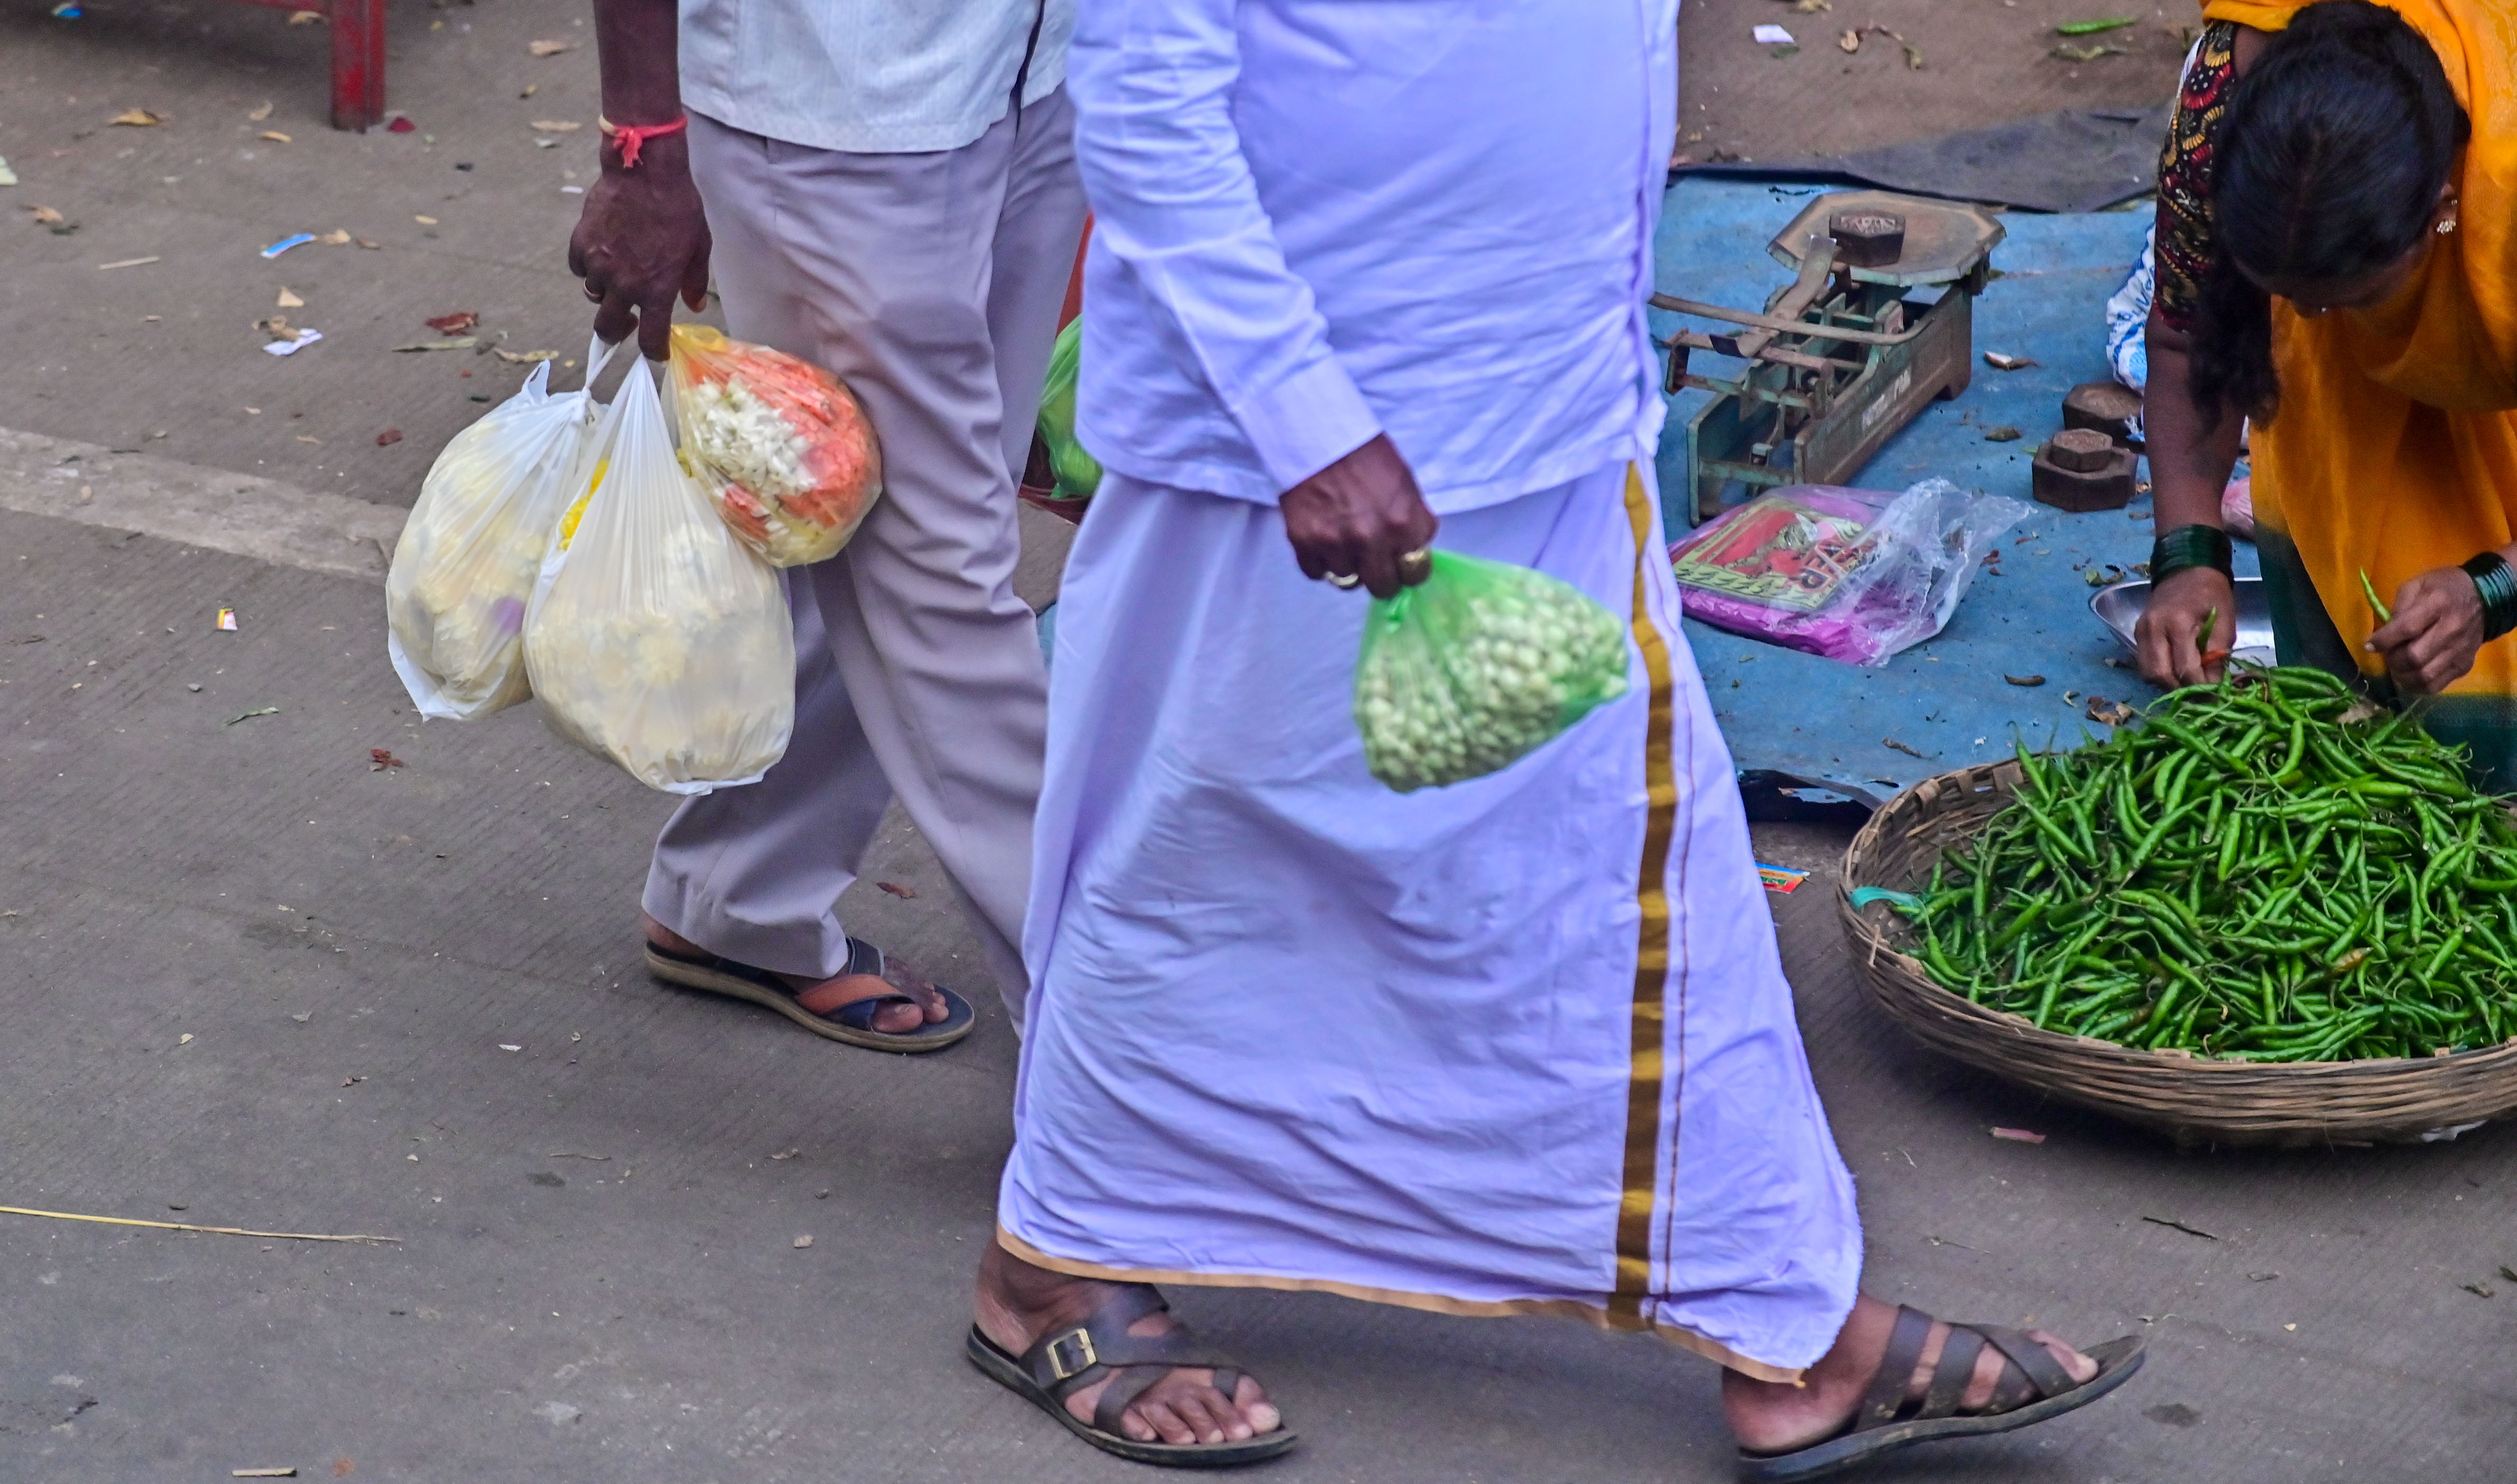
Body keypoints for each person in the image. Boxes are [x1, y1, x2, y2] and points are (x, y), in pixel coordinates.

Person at [962, 0, 2142, 1473]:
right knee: (1193, 858)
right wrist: (1305, 422)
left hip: (1543, 409)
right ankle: (1052, 1261)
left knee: (1628, 870)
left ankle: (1778, 1311)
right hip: (1300, 453)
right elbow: (1146, 107)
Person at [569, 0, 1086, 1048]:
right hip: (838, 117)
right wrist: (644, 142)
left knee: (871, 525)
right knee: (940, 583)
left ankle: (737, 890)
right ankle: (1125, 1061)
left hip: (1038, 72)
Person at [2134, 0, 2517, 784]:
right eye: (2288, 294)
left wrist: (2496, 586)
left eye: (2339, 297)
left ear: (2442, 214)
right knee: (2349, 751)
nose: (2307, 317)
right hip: (2353, 361)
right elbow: (2185, 334)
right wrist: (2188, 554)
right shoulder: (2226, 99)